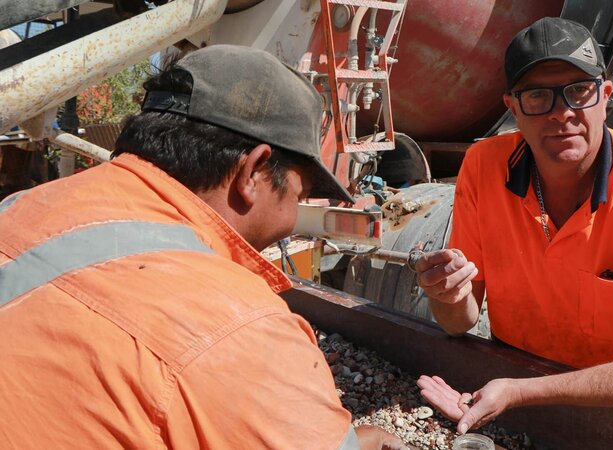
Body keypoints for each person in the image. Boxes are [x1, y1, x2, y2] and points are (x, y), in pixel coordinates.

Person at [0, 45, 410, 449]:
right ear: (253, 172)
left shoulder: (18, 206)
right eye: (299, 194)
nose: (293, 216)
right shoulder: (244, 328)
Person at [414, 17, 613, 434]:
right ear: (513, 108)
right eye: (538, 96)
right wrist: (446, 293)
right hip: (511, 397)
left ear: (605, 97)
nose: (562, 113)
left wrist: (522, 392)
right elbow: (459, 321)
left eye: (579, 91)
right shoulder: (483, 168)